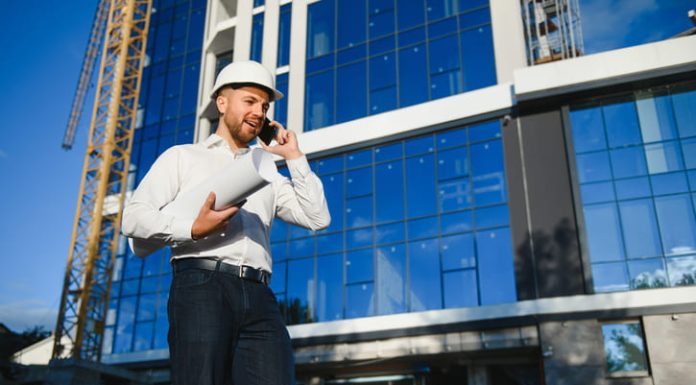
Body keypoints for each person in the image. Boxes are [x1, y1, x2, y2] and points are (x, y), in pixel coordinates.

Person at [121, 60, 331, 385]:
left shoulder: (267, 173)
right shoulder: (183, 157)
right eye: (250, 101)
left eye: (264, 105)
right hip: (201, 286)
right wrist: (193, 229)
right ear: (222, 102)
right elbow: (133, 218)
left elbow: (317, 217)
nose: (259, 112)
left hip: (260, 294)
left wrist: (294, 158)